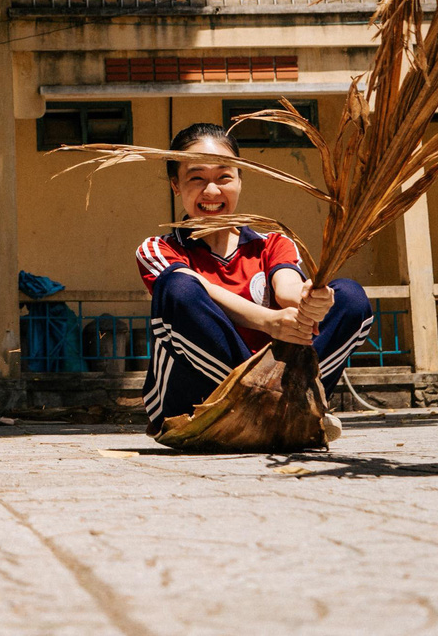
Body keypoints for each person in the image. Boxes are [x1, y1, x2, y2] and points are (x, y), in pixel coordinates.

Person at [136, 122, 374, 437]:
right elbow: (194, 288)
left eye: (224, 177)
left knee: (350, 297)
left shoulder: (272, 243)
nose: (211, 191)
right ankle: (275, 405)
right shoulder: (158, 249)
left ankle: (286, 402)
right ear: (175, 185)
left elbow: (287, 289)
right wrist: (269, 322)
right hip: (195, 402)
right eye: (196, 178)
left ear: (240, 179)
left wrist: (313, 300)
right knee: (177, 288)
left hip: (280, 389)